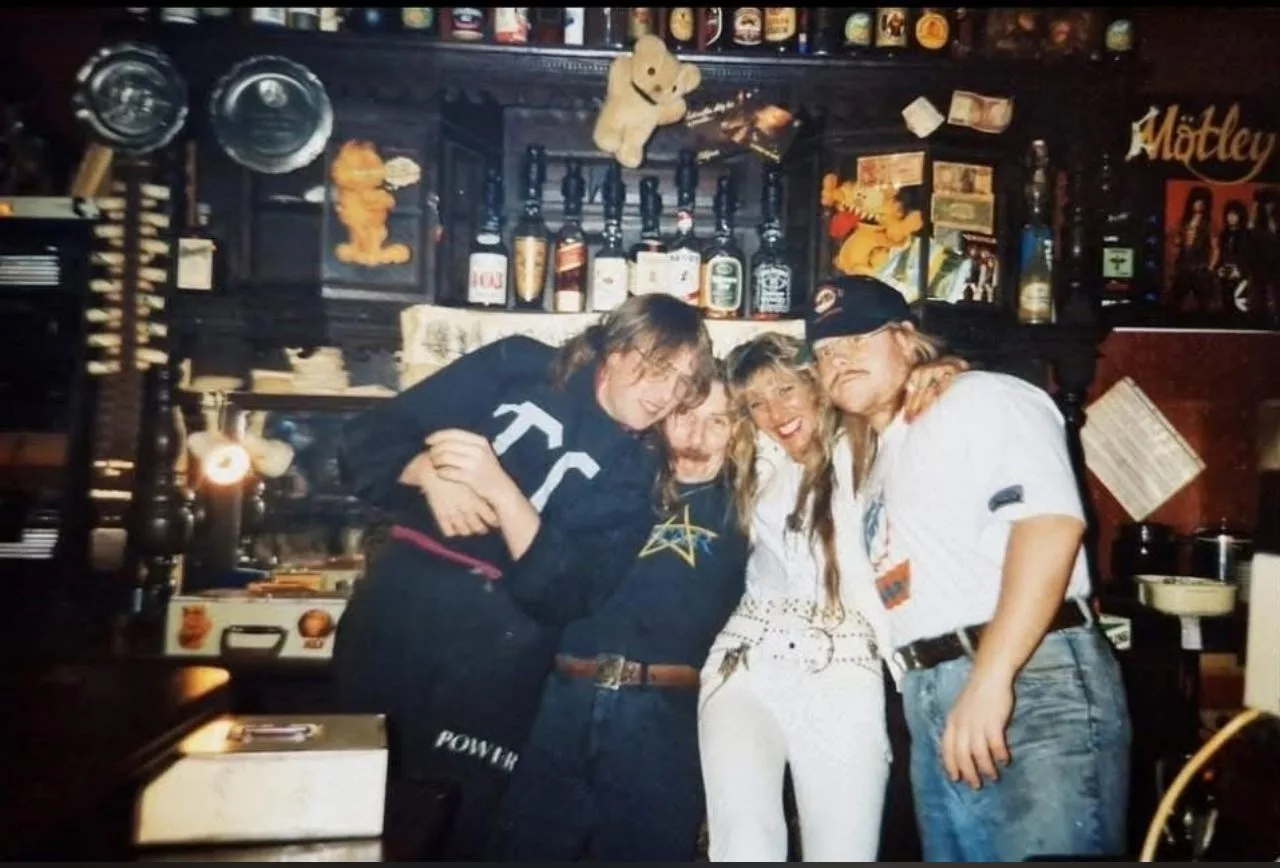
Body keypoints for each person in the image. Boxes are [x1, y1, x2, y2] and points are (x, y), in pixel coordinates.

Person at [332, 294, 716, 859]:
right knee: (346, 811)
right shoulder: (519, 365)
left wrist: (499, 489)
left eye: (684, 381)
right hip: (398, 615)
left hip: (498, 662)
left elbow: (569, 595)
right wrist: (424, 472)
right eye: (658, 367)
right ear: (615, 348)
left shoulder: (638, 473)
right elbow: (365, 440)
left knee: (457, 833)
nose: (667, 393)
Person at [807, 274, 1132, 862]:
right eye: (826, 351)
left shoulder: (978, 398)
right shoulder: (876, 458)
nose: (839, 359)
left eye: (858, 338)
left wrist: (990, 678)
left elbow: (1049, 528)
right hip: (934, 693)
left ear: (905, 339)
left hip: (1026, 680)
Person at [697, 332, 960, 862]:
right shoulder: (759, 462)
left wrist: (944, 370)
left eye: (785, 390)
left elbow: (914, 399)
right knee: (743, 845)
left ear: (815, 385)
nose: (775, 414)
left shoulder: (871, 447)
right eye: (756, 403)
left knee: (843, 852)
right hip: (744, 661)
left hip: (843, 669)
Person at [491, 363, 748, 861]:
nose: (697, 436)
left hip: (662, 722)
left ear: (738, 432)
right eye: (685, 415)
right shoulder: (605, 482)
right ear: (662, 418)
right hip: (559, 705)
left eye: (718, 421)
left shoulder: (751, 505)